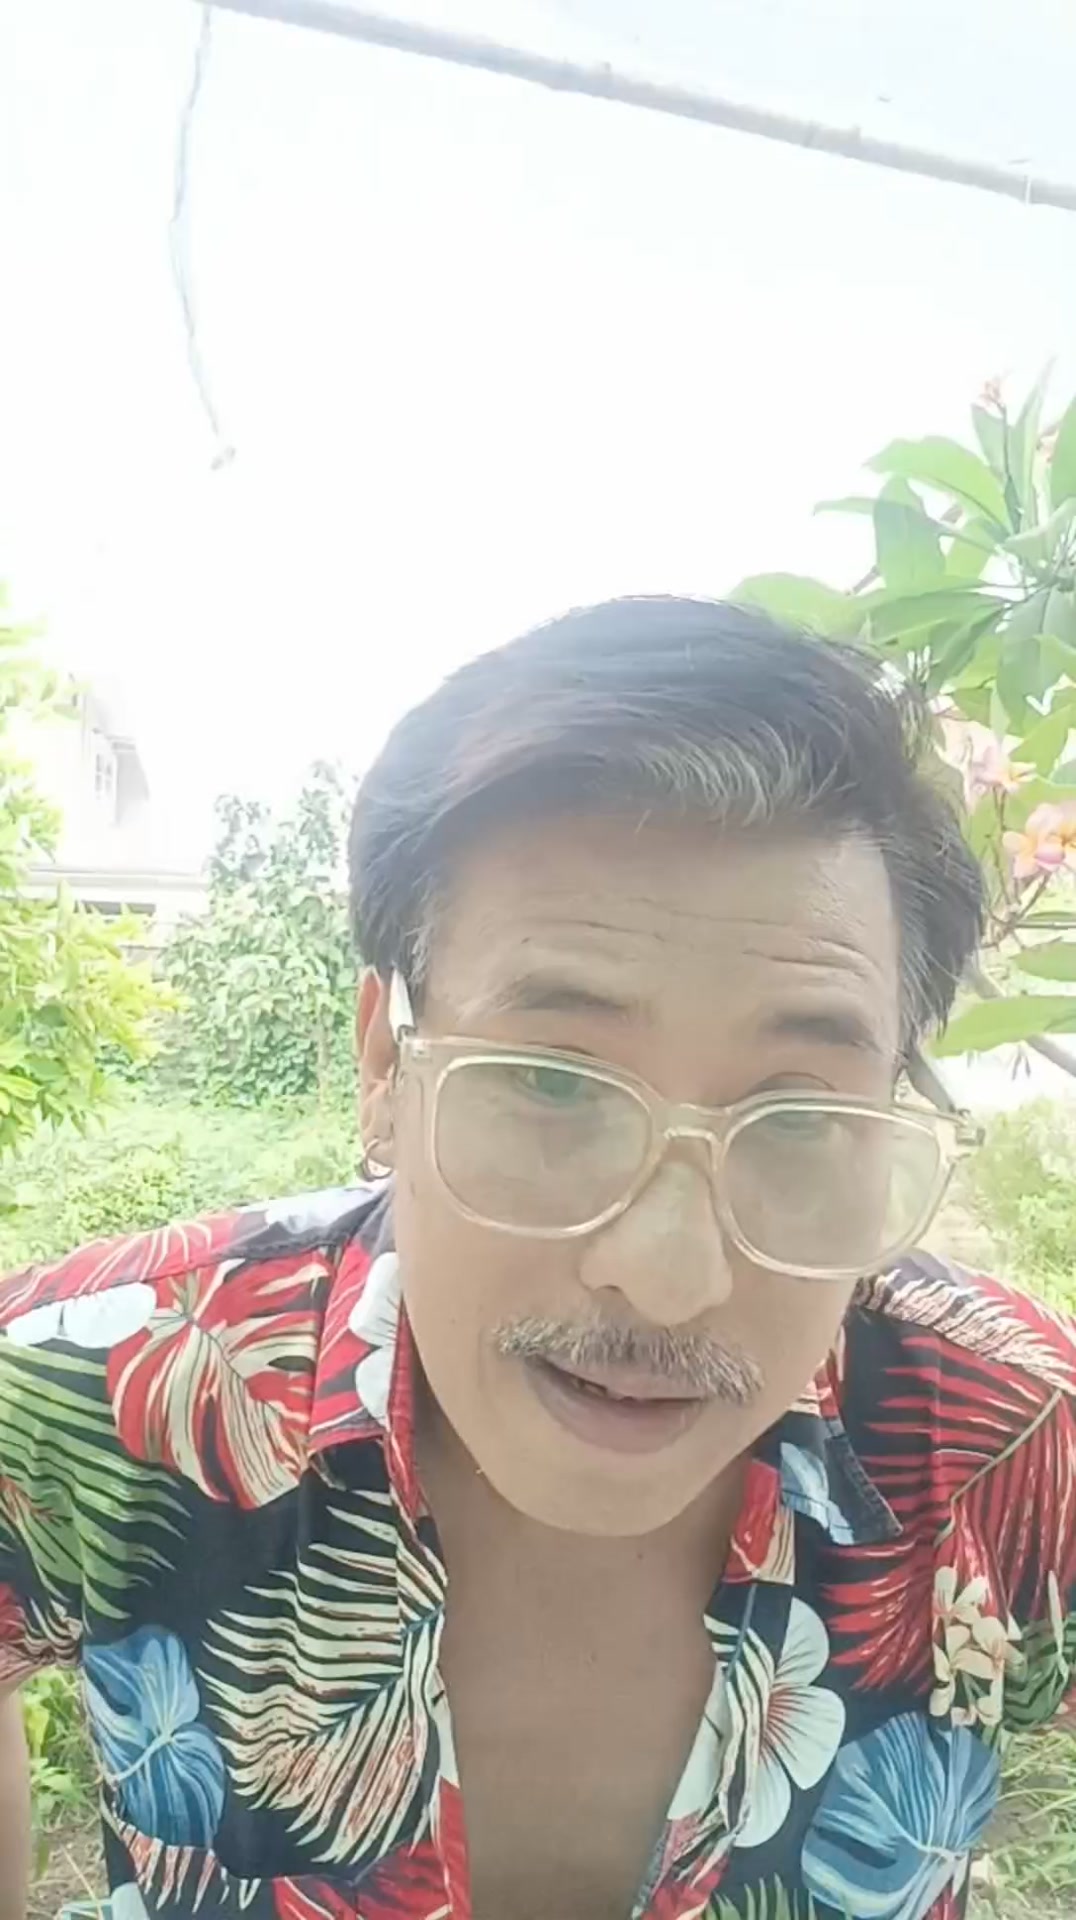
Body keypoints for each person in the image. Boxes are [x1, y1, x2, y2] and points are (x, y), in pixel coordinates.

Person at [1, 596, 1073, 1920]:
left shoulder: (1012, 1441)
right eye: (556, 1084)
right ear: (387, 1067)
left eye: (797, 1117)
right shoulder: (107, 1385)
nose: (669, 1276)